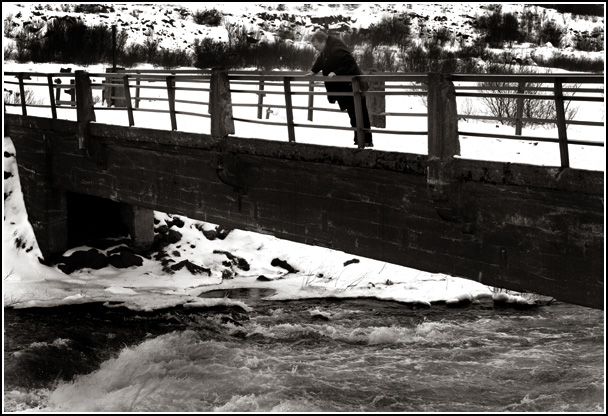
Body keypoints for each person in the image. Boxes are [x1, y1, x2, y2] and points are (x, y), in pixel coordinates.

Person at [305, 31, 373, 147]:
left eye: (316, 46)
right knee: (355, 114)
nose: (315, 49)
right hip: (349, 87)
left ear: (323, 42)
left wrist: (336, 72)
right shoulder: (329, 48)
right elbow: (322, 60)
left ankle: (364, 141)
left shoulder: (336, 49)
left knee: (359, 114)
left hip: (354, 87)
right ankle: (361, 141)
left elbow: (350, 63)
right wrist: (314, 71)